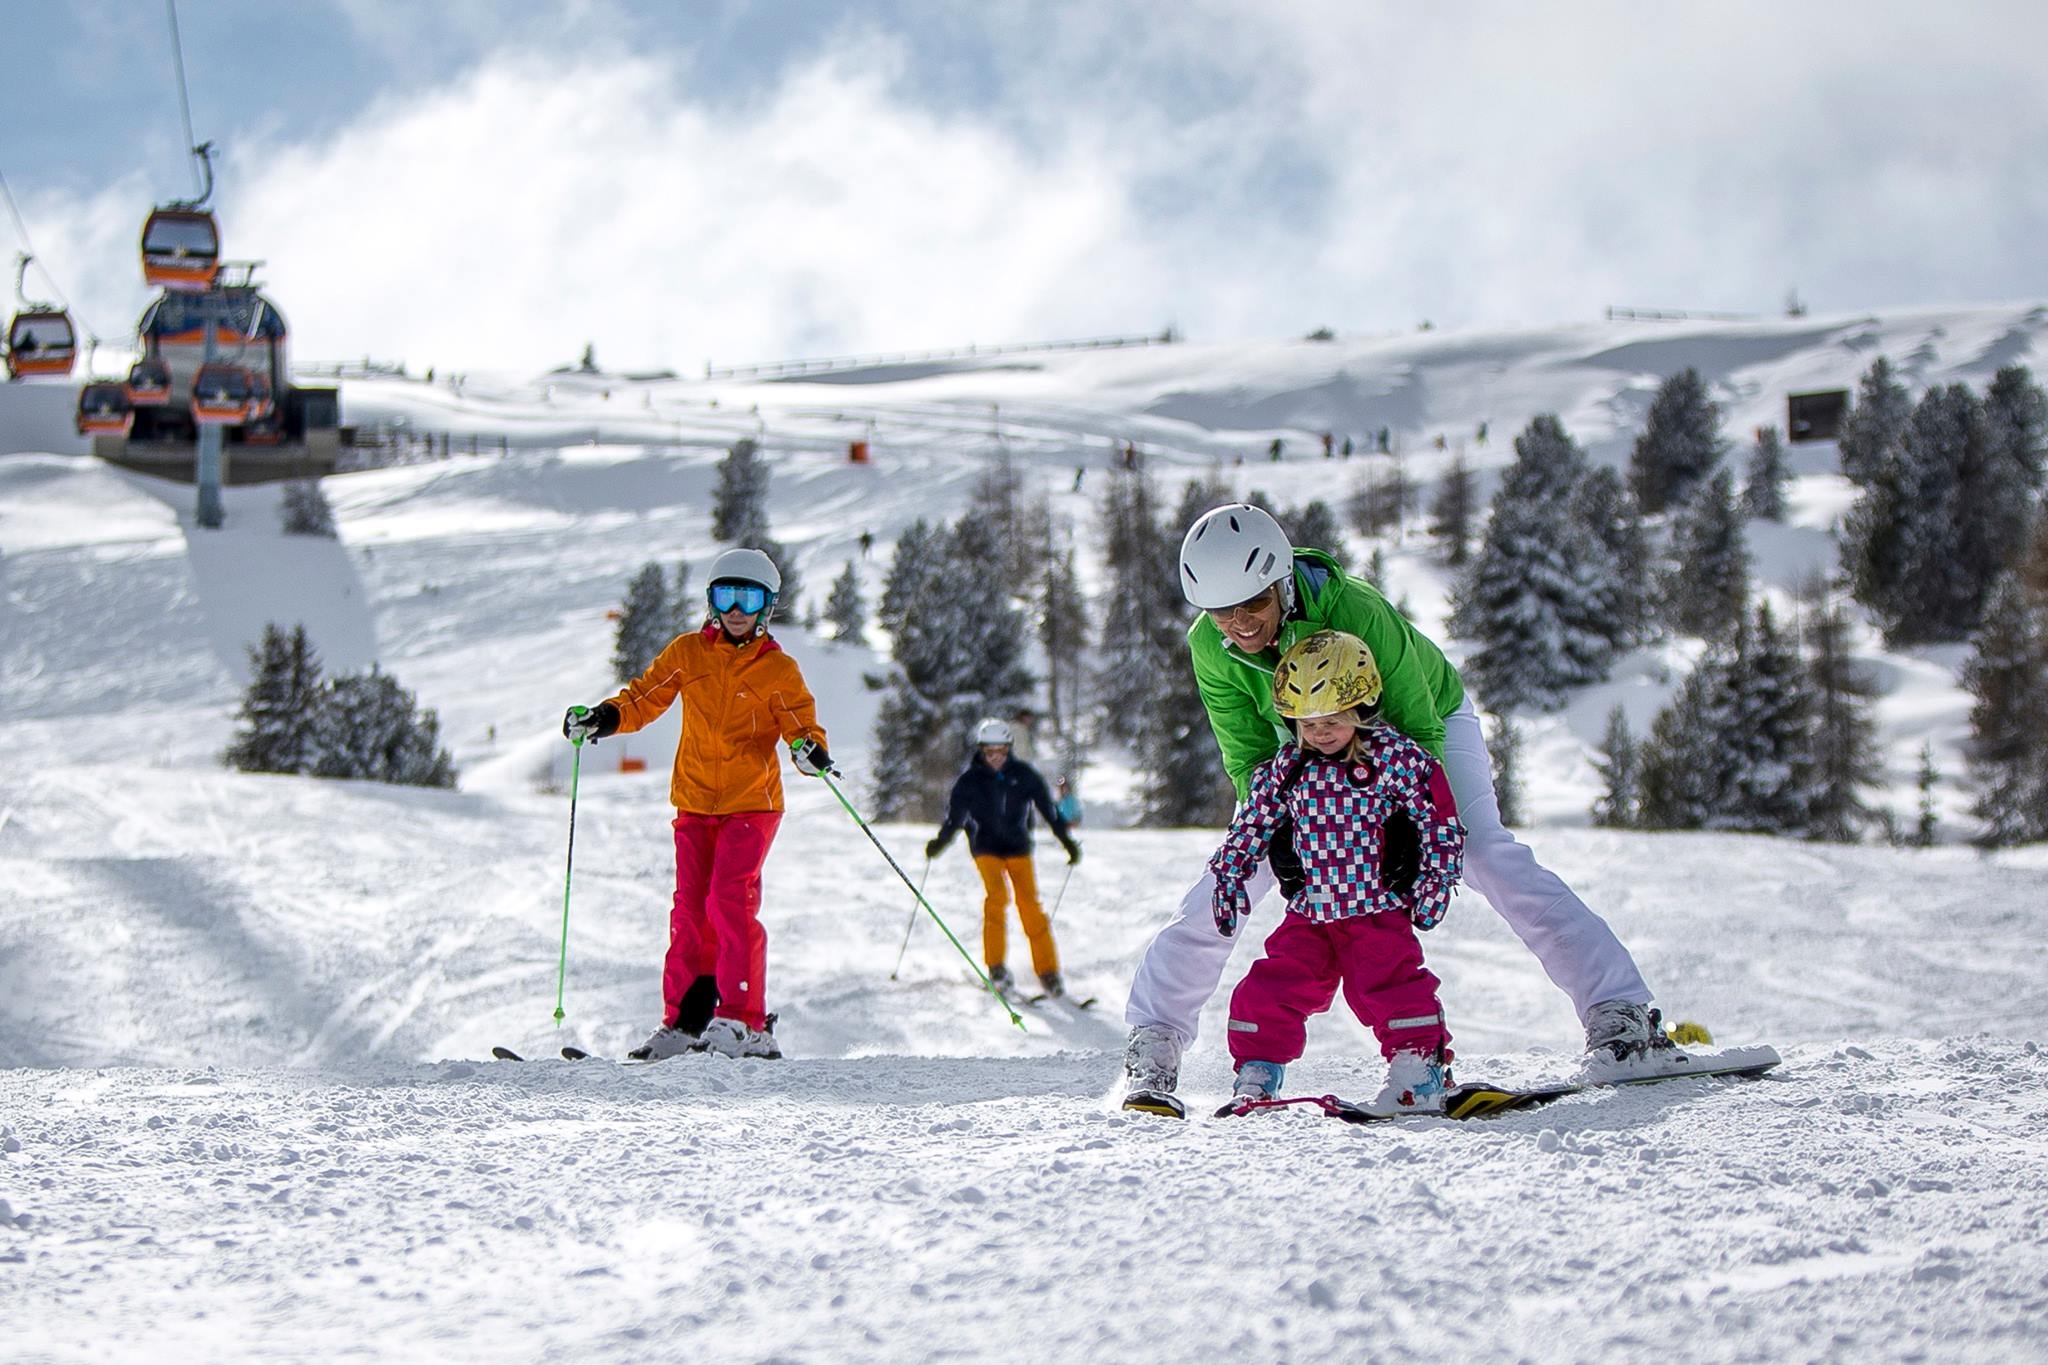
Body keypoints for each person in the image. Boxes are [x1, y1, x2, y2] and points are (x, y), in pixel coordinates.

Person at [1121, 503, 1682, 1118]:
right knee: (1231, 877)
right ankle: (1155, 1044)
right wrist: (1277, 831)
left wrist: (1413, 830)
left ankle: (1621, 1015)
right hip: (1308, 743)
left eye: (1252, 605)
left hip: (1424, 726)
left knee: (1484, 852)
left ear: (1280, 580)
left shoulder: (1355, 609)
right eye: (1221, 612)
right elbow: (1248, 753)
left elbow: (1418, 725)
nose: (1239, 624)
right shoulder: (1212, 646)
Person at [562, 547, 836, 1061]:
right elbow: (644, 697)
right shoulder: (689, 654)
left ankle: (744, 1021)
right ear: (712, 601)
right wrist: (604, 717)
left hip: (752, 803)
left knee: (729, 902)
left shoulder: (778, 669)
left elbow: (801, 727)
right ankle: (687, 1022)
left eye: (748, 597)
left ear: (766, 606)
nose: (736, 609)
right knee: (691, 910)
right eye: (726, 595)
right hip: (694, 801)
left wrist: (809, 752)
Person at [1206, 630, 1465, 1118]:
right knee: (1270, 987)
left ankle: (1419, 1068)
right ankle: (1259, 1071)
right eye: (1306, 722)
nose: (1319, 733)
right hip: (1311, 913)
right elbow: (1255, 820)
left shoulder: (1395, 760)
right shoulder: (1289, 768)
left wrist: (1434, 879)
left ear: (1362, 708)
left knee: (1391, 986)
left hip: (1376, 909)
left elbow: (1439, 820)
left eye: (1331, 720)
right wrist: (1229, 872)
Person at [925, 717, 1082, 999]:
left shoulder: (1024, 775)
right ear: (981, 751)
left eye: (1001, 751)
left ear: (1009, 749)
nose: (995, 758)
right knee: (996, 898)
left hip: (1018, 848)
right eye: (989, 752)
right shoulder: (969, 780)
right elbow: (955, 818)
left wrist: (1067, 842)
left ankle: (1048, 972)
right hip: (985, 848)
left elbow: (1049, 811)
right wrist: (940, 843)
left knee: (1030, 906)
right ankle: (996, 968)